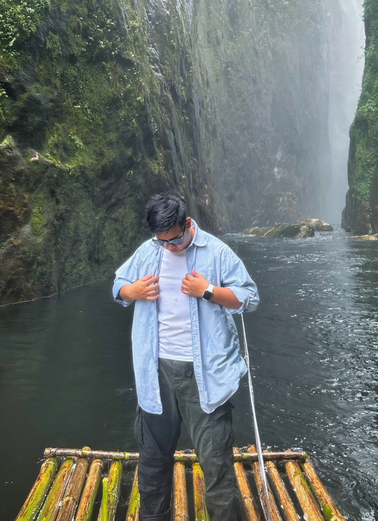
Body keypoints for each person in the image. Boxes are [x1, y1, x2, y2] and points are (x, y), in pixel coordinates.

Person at [113, 192, 259, 521]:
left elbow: (249, 298)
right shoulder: (149, 250)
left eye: (176, 240)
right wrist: (131, 291)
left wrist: (208, 291)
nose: (170, 247)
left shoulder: (216, 252)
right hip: (156, 374)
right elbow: (119, 284)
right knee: (152, 465)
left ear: (188, 224)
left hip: (205, 375)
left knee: (216, 467)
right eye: (163, 241)